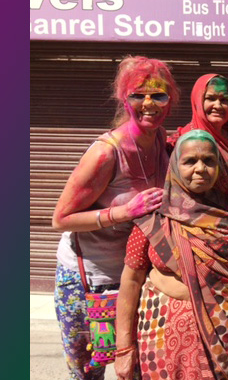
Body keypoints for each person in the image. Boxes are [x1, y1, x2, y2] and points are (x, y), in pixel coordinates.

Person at [114, 130, 228, 379]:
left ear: (220, 167)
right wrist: (124, 348)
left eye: (209, 161)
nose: (200, 168)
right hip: (163, 344)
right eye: (190, 161)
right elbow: (130, 280)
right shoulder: (154, 220)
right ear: (175, 165)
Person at [52, 56, 178, 379]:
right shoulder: (106, 153)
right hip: (86, 282)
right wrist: (123, 212)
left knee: (134, 368)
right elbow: (61, 218)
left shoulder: (160, 139)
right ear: (126, 99)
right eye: (139, 95)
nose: (149, 104)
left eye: (158, 95)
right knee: (86, 373)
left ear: (170, 100)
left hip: (134, 280)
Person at [169, 73, 228, 163]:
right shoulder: (182, 140)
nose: (218, 106)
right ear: (198, 101)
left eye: (224, 100)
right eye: (211, 98)